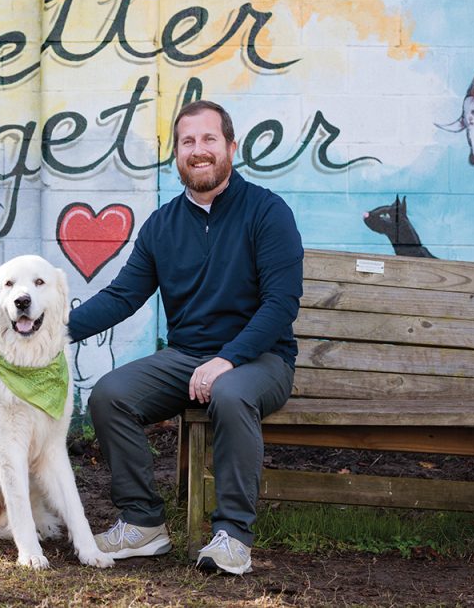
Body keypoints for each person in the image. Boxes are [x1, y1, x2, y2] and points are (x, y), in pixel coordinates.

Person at [68, 100, 303, 575]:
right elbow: (123, 296)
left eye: (209, 139)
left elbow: (281, 304)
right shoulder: (163, 225)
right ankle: (143, 524)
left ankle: (232, 536)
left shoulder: (267, 212)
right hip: (188, 358)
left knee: (231, 393)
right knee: (111, 395)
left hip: (261, 360)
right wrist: (53, 330)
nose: (198, 151)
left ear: (231, 148)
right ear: (177, 154)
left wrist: (229, 359)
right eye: (188, 142)